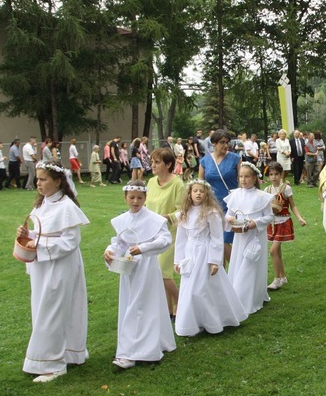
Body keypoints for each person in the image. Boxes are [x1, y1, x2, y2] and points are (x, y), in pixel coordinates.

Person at [17, 161, 89, 382]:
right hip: (42, 265)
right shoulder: (41, 205)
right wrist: (26, 234)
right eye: (37, 179)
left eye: (43, 179)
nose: (38, 183)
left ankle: (53, 363)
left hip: (60, 266)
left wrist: (39, 246)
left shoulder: (67, 207)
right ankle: (64, 353)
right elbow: (40, 233)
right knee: (42, 308)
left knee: (53, 310)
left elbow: (70, 242)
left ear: (58, 182)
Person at [104, 180, 176, 369]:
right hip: (128, 268)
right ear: (125, 198)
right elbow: (119, 242)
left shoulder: (154, 219)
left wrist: (143, 248)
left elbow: (165, 240)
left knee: (141, 305)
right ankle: (145, 344)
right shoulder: (122, 220)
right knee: (131, 303)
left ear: (145, 198)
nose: (135, 201)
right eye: (132, 197)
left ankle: (132, 352)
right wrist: (110, 251)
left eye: (139, 198)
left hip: (146, 267)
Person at [174, 180, 248, 336]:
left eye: (202, 191)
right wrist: (178, 259)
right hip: (190, 253)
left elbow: (216, 237)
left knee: (202, 288)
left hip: (205, 252)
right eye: (195, 191)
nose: (198, 193)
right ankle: (194, 322)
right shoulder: (184, 213)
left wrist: (214, 261)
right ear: (190, 193)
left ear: (206, 194)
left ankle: (213, 321)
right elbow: (181, 238)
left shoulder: (210, 213)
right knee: (190, 289)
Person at [224, 162, 274, 314]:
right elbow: (229, 214)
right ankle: (237, 293)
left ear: (254, 178)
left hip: (255, 235)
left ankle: (251, 295)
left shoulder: (261, 197)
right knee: (239, 260)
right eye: (240, 176)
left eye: (247, 176)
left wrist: (256, 223)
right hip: (241, 236)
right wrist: (230, 219)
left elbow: (269, 216)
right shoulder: (235, 195)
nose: (243, 180)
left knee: (252, 263)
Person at [145, 148, 185, 321]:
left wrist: (166, 218)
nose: (153, 165)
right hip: (152, 233)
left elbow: (183, 211)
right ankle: (168, 308)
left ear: (168, 164)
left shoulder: (177, 184)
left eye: (157, 162)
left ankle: (181, 303)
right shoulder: (151, 182)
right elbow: (146, 205)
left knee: (163, 272)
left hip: (171, 233)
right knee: (157, 272)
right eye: (152, 161)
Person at [199, 130, 241, 263]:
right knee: (215, 243)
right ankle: (221, 278)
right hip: (212, 206)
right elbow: (200, 184)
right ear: (214, 143)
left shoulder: (235, 158)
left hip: (231, 206)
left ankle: (236, 271)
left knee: (224, 241)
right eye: (222, 142)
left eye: (228, 142)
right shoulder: (205, 161)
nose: (226, 145)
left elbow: (242, 181)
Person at [264, 162, 307, 290]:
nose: (273, 177)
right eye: (271, 174)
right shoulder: (267, 190)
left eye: (276, 174)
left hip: (283, 221)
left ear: (281, 174)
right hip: (272, 223)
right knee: (277, 252)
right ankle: (283, 277)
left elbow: (292, 205)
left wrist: (300, 218)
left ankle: (276, 280)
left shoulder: (286, 188)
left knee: (272, 250)